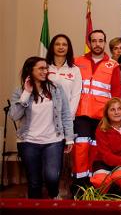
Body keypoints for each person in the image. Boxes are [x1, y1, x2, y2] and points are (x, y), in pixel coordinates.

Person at [9, 57, 74, 199]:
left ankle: (54, 198)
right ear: (30, 70)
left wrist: (69, 138)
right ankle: (35, 213)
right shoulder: (19, 91)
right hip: (28, 142)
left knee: (52, 177)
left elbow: (65, 114)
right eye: (41, 68)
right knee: (34, 182)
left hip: (53, 140)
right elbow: (14, 116)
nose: (45, 71)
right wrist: (26, 93)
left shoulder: (56, 88)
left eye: (46, 68)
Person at [73, 30, 120, 186]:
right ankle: (79, 184)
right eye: (94, 41)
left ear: (105, 43)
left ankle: (94, 184)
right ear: (89, 43)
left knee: (96, 149)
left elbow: (116, 94)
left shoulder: (113, 65)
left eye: (100, 41)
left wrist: (113, 117)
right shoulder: (77, 61)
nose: (97, 44)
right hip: (80, 114)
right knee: (81, 148)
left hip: (101, 116)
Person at [90, 98, 121, 194]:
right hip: (104, 162)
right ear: (107, 113)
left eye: (119, 109)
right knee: (100, 181)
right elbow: (106, 156)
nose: (116, 112)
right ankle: (104, 203)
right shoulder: (102, 129)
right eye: (112, 110)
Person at [46, 34, 82, 117]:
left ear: (68, 48)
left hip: (64, 116)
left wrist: (68, 116)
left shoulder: (75, 70)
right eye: (57, 44)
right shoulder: (45, 67)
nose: (61, 47)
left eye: (64, 45)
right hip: (45, 115)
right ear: (52, 47)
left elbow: (75, 96)